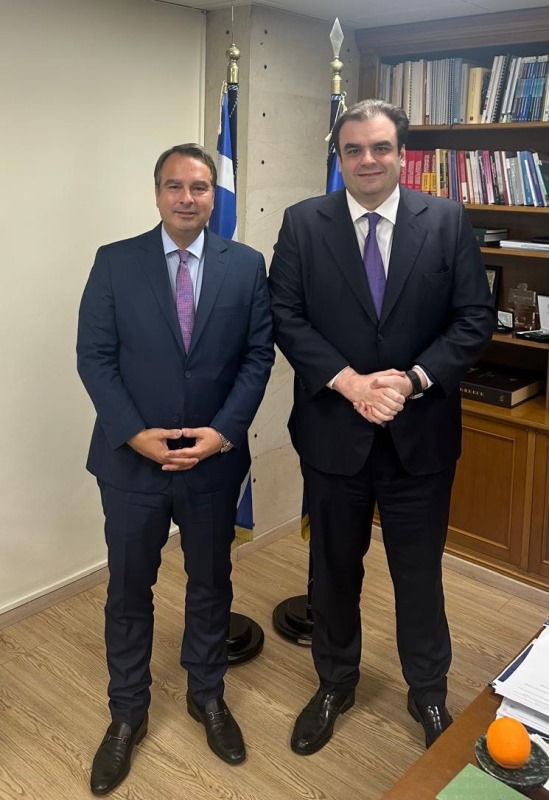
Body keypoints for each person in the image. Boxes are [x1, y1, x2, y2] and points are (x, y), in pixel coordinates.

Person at [268, 100, 495, 756]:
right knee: (333, 570)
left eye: (380, 148)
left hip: (418, 435)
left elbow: (473, 318)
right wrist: (349, 383)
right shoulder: (303, 223)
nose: (367, 160)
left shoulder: (446, 220)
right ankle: (335, 682)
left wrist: (412, 379)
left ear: (401, 154)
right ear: (339, 157)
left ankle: (428, 690)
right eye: (353, 150)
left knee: (418, 574)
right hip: (333, 433)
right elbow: (284, 315)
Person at [77, 143, 274, 794]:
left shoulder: (245, 265)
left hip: (211, 463)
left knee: (210, 584)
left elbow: (258, 356)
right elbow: (94, 356)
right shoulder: (115, 262)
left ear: (214, 195)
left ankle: (206, 694)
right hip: (131, 464)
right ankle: (127, 712)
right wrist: (134, 434)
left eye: (199, 187)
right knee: (128, 591)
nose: (187, 197)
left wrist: (222, 433)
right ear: (157, 192)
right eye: (174, 186)